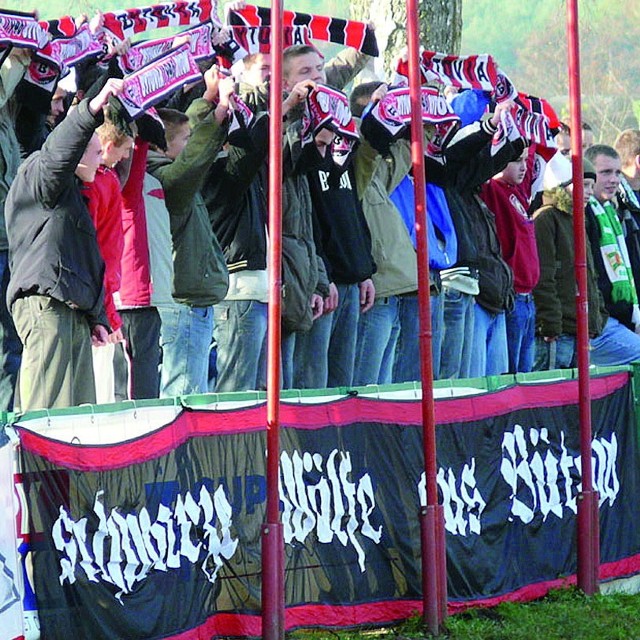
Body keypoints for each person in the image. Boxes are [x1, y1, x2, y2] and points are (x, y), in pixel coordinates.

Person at [6, 79, 124, 411]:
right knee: (48, 408)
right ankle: (37, 465)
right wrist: (90, 109)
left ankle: (69, 466)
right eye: (93, 150)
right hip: (46, 305)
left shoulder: (73, 194)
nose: (102, 156)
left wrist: (97, 315)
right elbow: (61, 148)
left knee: (78, 411)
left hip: (73, 309)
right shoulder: (41, 175)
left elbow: (89, 259)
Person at [148, 67, 234, 398]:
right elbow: (197, 155)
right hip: (182, 304)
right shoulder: (168, 180)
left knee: (194, 391)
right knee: (183, 397)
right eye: (184, 140)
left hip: (192, 301)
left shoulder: (174, 173)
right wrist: (221, 111)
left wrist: (208, 98)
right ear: (163, 146)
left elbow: (196, 143)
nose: (191, 143)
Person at [533, 157, 640, 369]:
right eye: (584, 185)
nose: (589, 192)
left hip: (581, 328)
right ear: (563, 185)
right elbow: (544, 276)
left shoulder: (578, 219)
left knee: (575, 392)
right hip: (559, 330)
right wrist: (550, 323)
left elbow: (591, 277)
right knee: (555, 388)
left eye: (591, 185)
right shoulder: (546, 219)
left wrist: (597, 317)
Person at [481, 146, 539, 373]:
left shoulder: (518, 192)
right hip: (512, 297)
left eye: (525, 160)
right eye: (515, 161)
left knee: (525, 374)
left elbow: (532, 154)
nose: (523, 166)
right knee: (512, 374)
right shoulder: (492, 189)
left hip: (528, 300)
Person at [0, 47, 30, 411]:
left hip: (11, 243)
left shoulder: (7, 117)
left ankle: (6, 432)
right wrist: (17, 55)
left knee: (12, 344)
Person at [584, 145, 640, 333]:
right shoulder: (583, 214)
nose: (614, 180)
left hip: (622, 316)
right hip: (601, 320)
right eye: (606, 172)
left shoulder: (612, 212)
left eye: (617, 172)